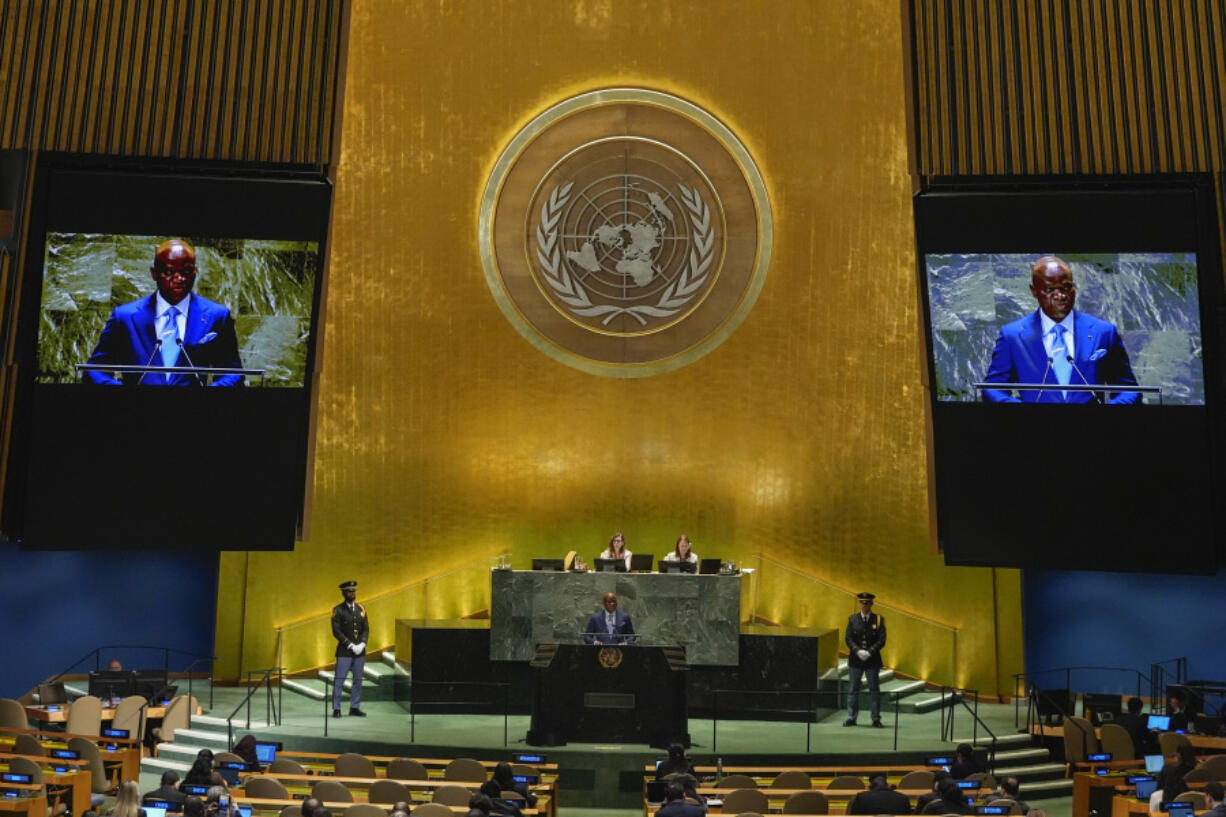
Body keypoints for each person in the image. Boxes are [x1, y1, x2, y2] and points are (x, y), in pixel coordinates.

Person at [85, 239, 243, 387]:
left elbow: (233, 373)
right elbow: (94, 370)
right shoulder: (124, 317)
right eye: (169, 271)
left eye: (186, 271)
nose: (179, 278)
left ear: (195, 272)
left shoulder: (217, 316)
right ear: (154, 273)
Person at [983, 255, 1139, 404]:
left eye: (1066, 287)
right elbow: (992, 389)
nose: (1061, 296)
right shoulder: (1012, 335)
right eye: (1050, 290)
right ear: (1034, 291)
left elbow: (1129, 390)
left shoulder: (1104, 332)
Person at [844, 591, 886, 727]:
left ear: (871, 604)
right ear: (859, 603)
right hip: (856, 660)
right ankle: (851, 717)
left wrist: (869, 652)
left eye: (867, 603)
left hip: (872, 660)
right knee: (852, 689)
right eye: (862, 602)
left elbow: (882, 639)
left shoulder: (878, 619)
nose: (864, 605)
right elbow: (848, 638)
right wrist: (857, 651)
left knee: (874, 690)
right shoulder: (852, 619)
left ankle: (875, 718)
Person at [331, 579, 369, 718]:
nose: (352, 593)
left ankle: (355, 707)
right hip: (344, 651)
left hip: (360, 652)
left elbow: (366, 629)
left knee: (357, 680)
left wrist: (362, 643)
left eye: (353, 591)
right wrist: (350, 644)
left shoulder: (361, 609)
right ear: (343, 593)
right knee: (340, 680)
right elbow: (336, 631)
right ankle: (336, 708)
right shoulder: (338, 610)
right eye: (349, 591)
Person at [1152, 742, 1198, 809]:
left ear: (1179, 756)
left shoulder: (1169, 770)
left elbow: (1159, 786)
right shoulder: (1198, 773)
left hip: (1171, 806)